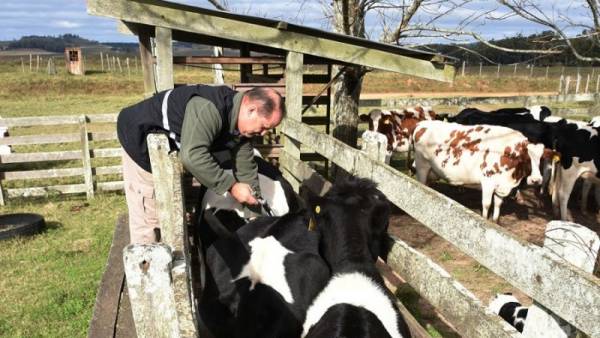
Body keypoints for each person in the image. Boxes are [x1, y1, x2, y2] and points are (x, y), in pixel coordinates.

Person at [117, 85, 285, 244]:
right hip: (140, 140)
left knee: (169, 209)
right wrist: (232, 187)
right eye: (264, 126)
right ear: (251, 109)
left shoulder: (240, 128)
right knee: (150, 217)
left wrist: (254, 217)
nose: (263, 133)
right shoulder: (209, 109)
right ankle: (146, 267)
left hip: (166, 147)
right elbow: (192, 156)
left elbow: (246, 168)